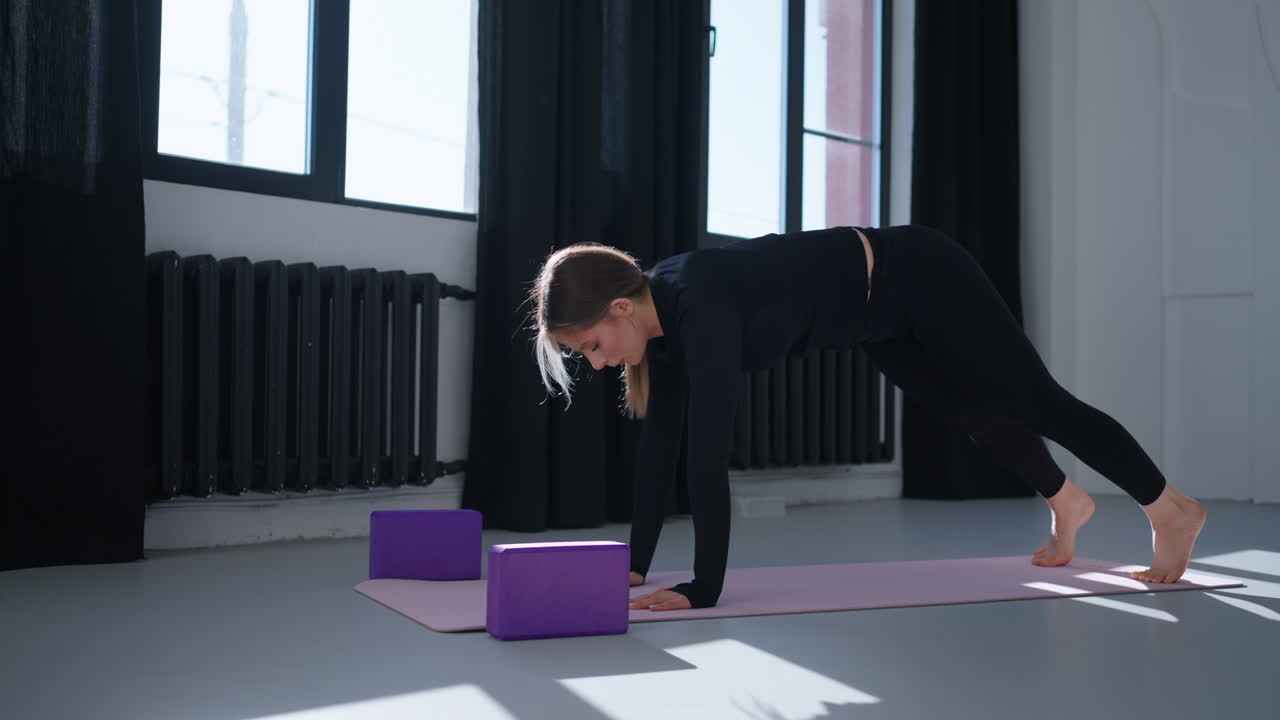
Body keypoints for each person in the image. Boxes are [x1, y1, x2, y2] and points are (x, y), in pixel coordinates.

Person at [528, 225, 1207, 611]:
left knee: (1032, 398)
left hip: (915, 272)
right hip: (873, 317)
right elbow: (661, 448)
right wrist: (637, 568)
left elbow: (707, 456)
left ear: (620, 309)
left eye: (590, 347)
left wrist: (702, 591)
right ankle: (1069, 503)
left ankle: (1167, 507)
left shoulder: (699, 306)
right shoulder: (661, 327)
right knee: (973, 411)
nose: (598, 363)